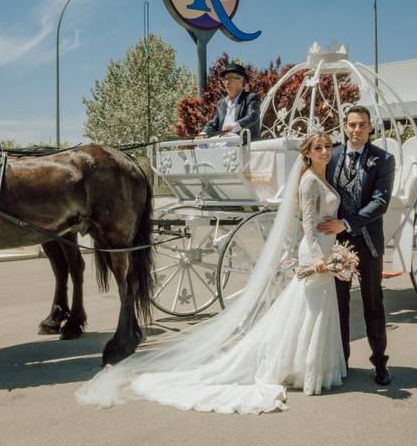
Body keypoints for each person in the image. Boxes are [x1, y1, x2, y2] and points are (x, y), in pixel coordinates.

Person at [76, 132, 345, 414]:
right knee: (308, 309)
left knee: (314, 309)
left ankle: (314, 365)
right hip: (317, 254)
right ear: (309, 152)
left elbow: (313, 222)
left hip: (323, 249)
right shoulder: (310, 180)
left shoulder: (317, 176)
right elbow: (308, 224)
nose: (325, 151)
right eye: (319, 147)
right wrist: (316, 257)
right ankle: (306, 367)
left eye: (327, 146)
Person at [319, 105, 395, 385]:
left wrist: (348, 224)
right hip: (336, 243)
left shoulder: (384, 159)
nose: (356, 129)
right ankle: (342, 361)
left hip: (368, 243)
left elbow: (380, 202)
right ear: (345, 127)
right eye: (352, 124)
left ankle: (380, 363)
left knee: (372, 302)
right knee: (338, 304)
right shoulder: (333, 155)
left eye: (362, 125)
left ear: (370, 128)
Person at [197, 64, 262, 140]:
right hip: (221, 141)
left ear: (242, 81)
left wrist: (234, 126)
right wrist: (203, 133)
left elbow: (253, 116)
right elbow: (213, 124)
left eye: (231, 79)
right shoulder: (221, 103)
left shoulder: (250, 98)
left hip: (242, 143)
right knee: (200, 146)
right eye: (225, 79)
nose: (227, 82)